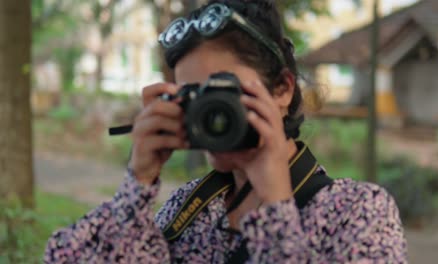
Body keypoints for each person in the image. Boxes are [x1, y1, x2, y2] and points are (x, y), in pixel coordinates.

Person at [44, 0, 407, 263]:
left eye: (225, 92)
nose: (209, 111)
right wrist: (137, 184)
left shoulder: (356, 212)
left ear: (281, 89)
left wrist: (276, 204)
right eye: (194, 96)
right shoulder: (189, 209)